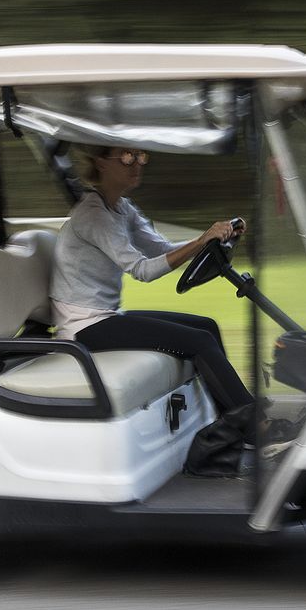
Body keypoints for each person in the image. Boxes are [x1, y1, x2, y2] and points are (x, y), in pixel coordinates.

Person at [49, 144, 255, 424]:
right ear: (101, 162)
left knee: (206, 326)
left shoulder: (122, 208)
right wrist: (200, 241)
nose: (137, 164)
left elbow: (161, 248)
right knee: (199, 340)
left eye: (140, 156)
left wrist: (212, 238)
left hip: (104, 317)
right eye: (126, 157)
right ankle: (252, 426)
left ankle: (229, 421)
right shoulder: (93, 215)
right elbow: (143, 270)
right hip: (83, 328)